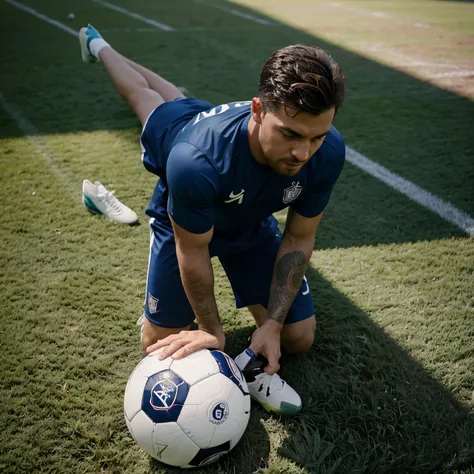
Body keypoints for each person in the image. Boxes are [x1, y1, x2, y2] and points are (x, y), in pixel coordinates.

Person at [79, 24, 346, 415]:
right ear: (257, 110)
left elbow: (299, 238)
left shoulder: (328, 151)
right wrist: (210, 329)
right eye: (290, 134)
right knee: (147, 98)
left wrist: (271, 324)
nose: (303, 153)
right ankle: (101, 46)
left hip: (248, 221)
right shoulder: (194, 160)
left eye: (316, 136)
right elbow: (194, 248)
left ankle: (116, 53)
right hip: (181, 160)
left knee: (298, 337)